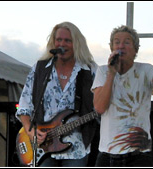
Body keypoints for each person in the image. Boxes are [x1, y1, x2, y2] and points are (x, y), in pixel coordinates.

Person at [15, 21, 98, 167]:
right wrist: (30, 131)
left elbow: (101, 102)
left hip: (76, 147)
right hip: (42, 145)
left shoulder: (89, 70)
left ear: (76, 43)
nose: (62, 44)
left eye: (67, 40)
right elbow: (24, 105)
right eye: (58, 40)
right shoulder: (40, 69)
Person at [91, 25, 153, 167]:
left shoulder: (145, 70)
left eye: (127, 42)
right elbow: (99, 107)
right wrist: (112, 73)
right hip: (108, 156)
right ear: (111, 47)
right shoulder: (103, 71)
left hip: (138, 156)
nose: (121, 46)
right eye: (117, 42)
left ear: (135, 49)